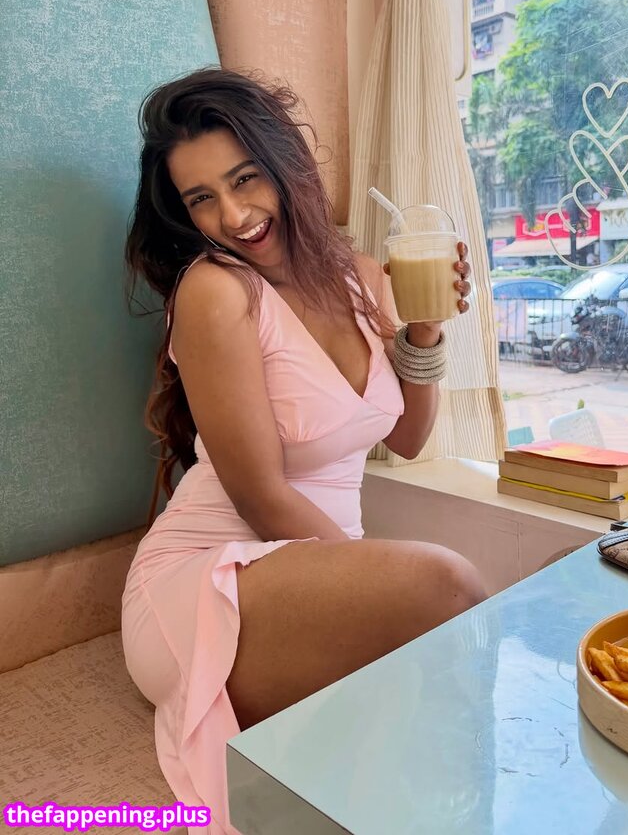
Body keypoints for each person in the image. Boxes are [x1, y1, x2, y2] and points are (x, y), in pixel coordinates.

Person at [120, 68, 485, 835]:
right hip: (207, 581)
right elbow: (260, 499)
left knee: (439, 651)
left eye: (244, 179)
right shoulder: (216, 290)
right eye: (202, 198)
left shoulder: (360, 277)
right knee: (445, 587)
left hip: (311, 568)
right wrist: (382, 587)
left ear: (283, 163)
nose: (233, 215)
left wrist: (423, 329)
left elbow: (407, 437)